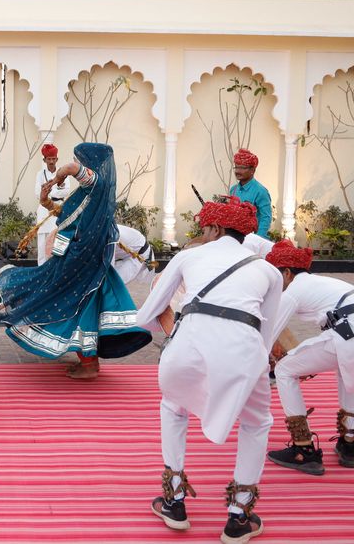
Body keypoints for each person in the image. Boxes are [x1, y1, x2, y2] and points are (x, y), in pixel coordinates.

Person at [136, 195, 282, 544]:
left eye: (204, 228)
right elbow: (266, 333)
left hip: (187, 345)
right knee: (257, 421)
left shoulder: (188, 256)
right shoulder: (269, 271)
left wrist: (184, 330)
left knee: (173, 405)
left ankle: (174, 502)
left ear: (215, 228)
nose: (201, 233)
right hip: (245, 351)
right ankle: (239, 518)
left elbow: (145, 316)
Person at [0, 143, 152, 380]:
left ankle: (89, 364)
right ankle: (89, 362)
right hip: (78, 258)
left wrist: (58, 177)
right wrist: (46, 201)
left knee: (75, 303)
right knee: (80, 306)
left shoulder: (98, 184)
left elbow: (71, 168)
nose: (76, 163)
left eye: (80, 159)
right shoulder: (87, 193)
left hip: (82, 261)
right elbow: (70, 217)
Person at [264, 240, 354, 475]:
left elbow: (267, 336)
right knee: (348, 369)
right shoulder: (324, 282)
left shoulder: (294, 289)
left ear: (286, 273)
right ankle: (348, 444)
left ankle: (303, 449)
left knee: (285, 370)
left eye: (276, 279)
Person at [34, 143, 73, 265]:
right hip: (43, 209)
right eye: (48, 159)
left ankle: (56, 268)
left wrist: (49, 190)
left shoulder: (63, 173)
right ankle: (41, 267)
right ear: (44, 159)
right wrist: (55, 191)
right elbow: (37, 193)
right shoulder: (40, 174)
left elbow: (66, 191)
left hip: (58, 208)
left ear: (57, 159)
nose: (51, 161)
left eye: (53, 159)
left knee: (58, 238)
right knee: (42, 240)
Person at [229, 148, 272, 238]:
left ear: (252, 170)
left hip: (253, 240)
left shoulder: (261, 191)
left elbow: (266, 218)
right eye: (236, 167)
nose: (237, 171)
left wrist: (257, 240)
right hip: (234, 239)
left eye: (242, 168)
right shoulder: (233, 189)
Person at [112, 224, 157, 288]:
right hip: (127, 253)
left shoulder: (110, 235)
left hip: (139, 254)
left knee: (113, 282)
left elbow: (107, 264)